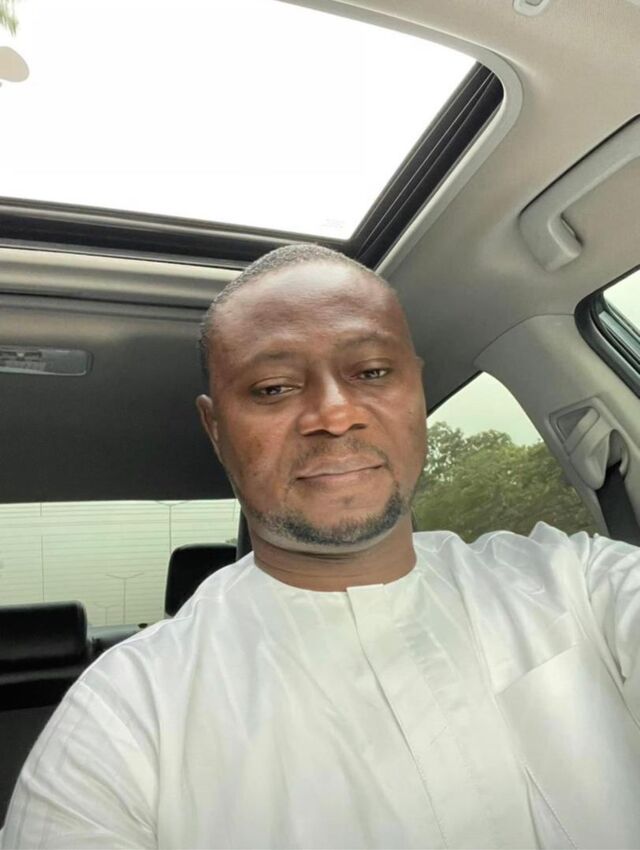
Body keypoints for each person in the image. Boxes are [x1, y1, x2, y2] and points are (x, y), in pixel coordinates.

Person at [2, 243, 640, 849]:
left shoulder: (580, 580)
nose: (334, 415)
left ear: (416, 391)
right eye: (273, 388)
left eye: (372, 372)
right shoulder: (126, 713)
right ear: (215, 428)